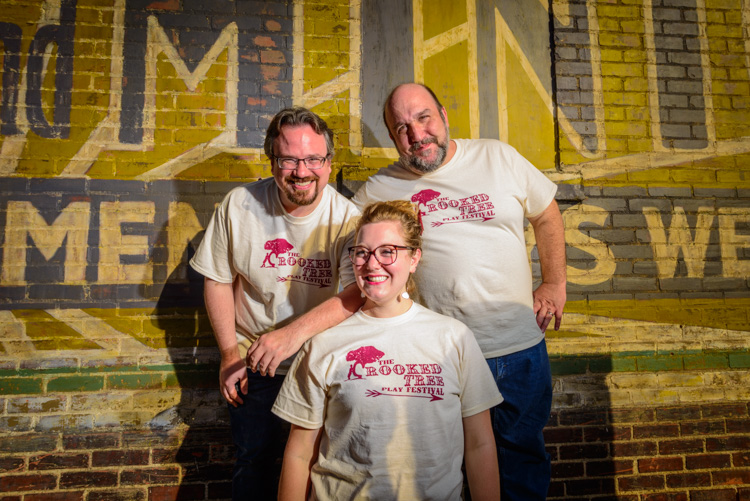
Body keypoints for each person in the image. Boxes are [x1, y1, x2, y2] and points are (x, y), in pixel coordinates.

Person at [352, 83, 566, 500]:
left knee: (521, 463)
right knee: (442, 469)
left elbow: (546, 213)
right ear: (393, 139)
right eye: (401, 128)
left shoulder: (497, 156)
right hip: (437, 356)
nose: (416, 134)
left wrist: (555, 283)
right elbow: (345, 250)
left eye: (423, 118)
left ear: (444, 115)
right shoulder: (379, 189)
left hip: (516, 347)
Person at [273, 200, 502, 501]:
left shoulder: (454, 338)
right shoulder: (323, 344)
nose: (371, 264)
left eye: (387, 251)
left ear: (414, 258)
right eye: (362, 252)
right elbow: (300, 455)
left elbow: (480, 444)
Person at [189, 107, 363, 500]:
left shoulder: (349, 219)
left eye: (314, 159)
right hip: (254, 363)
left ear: (329, 162)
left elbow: (354, 295)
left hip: (321, 363)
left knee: (323, 464)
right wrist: (230, 354)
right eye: (289, 160)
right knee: (255, 461)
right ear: (272, 161)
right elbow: (217, 279)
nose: (302, 171)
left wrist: (292, 336)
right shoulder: (239, 205)